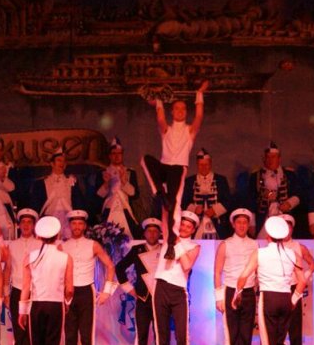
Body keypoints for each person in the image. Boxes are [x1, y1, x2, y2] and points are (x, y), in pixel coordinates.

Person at [233, 215, 305, 345]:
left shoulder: (260, 253)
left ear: (268, 236)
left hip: (269, 298)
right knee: (281, 343)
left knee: (267, 344)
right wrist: (293, 299)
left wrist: (237, 294)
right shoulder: (292, 253)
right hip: (285, 298)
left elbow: (243, 276)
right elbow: (302, 281)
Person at [141, 80, 209, 260]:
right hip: (164, 166)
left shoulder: (189, 131)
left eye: (183, 109)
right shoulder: (166, 130)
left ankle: (171, 244)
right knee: (145, 159)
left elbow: (199, 117)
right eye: (176, 108)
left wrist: (199, 94)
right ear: (172, 111)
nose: (180, 111)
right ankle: (159, 193)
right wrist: (158, 101)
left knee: (172, 206)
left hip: (178, 169)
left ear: (186, 112)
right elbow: (160, 118)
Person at [18, 216, 73, 345]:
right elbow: (70, 289)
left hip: (37, 306)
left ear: (39, 236)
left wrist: (22, 311)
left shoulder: (30, 257)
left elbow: (26, 287)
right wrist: (67, 302)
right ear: (57, 235)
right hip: (56, 306)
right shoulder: (65, 257)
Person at [60, 210, 117, 345]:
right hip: (68, 293)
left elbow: (110, 266)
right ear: (69, 225)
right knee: (70, 336)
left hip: (86, 291)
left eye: (80, 223)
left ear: (85, 226)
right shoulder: (62, 246)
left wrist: (107, 291)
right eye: (74, 223)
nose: (77, 226)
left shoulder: (93, 245)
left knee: (86, 336)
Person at [152, 210, 201, 345]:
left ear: (193, 229)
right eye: (183, 225)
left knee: (182, 336)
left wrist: (178, 242)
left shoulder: (194, 246)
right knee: (162, 336)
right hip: (161, 287)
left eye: (189, 226)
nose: (185, 228)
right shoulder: (167, 238)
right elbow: (166, 218)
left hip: (179, 291)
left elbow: (187, 265)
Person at [115, 217, 163, 345]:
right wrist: (129, 289)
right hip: (142, 299)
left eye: (155, 231)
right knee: (141, 337)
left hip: (161, 300)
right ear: (144, 233)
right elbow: (119, 268)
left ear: (160, 233)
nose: (152, 234)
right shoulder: (137, 250)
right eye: (149, 231)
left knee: (160, 338)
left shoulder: (165, 249)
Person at [214, 208, 258, 345]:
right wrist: (218, 297)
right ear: (233, 224)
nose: (242, 225)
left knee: (246, 336)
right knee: (232, 335)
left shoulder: (255, 244)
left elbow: (257, 270)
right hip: (231, 291)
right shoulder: (225, 244)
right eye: (238, 222)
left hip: (248, 292)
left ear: (248, 225)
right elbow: (217, 272)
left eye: (245, 222)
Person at [4, 209, 43, 345]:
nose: (26, 225)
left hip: (36, 293)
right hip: (17, 292)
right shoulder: (11, 245)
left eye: (29, 222)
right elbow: (7, 269)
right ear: (18, 225)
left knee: (36, 336)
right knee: (20, 337)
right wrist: (6, 293)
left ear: (34, 225)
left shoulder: (41, 244)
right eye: (23, 222)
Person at [280, 214, 314, 345]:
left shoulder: (299, 247)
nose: (286, 230)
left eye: (289, 226)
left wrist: (304, 278)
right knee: (278, 338)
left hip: (295, 290)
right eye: (283, 226)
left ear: (292, 228)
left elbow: (313, 264)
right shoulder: (274, 246)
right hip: (278, 290)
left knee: (295, 337)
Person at [252, 141, 303, 238]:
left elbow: (299, 193)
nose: (270, 160)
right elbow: (251, 199)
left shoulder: (289, 174)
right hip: (263, 217)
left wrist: (289, 203)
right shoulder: (256, 176)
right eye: (268, 157)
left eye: (273, 157)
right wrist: (252, 223)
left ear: (279, 158)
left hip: (284, 215)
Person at [34, 147, 86, 240]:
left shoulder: (71, 181)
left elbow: (78, 202)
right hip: (49, 220)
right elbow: (36, 204)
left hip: (67, 221)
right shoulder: (42, 182)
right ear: (52, 163)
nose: (62, 163)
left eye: (64, 161)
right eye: (59, 160)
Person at [182, 148, 232, 240]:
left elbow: (228, 201)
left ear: (211, 164)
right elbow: (183, 202)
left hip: (218, 223)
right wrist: (194, 209)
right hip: (196, 224)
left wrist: (215, 210)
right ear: (197, 165)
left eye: (206, 164)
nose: (204, 167)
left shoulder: (221, 180)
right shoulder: (189, 181)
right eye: (201, 165)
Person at [96, 137, 141, 239]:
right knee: (106, 238)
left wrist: (124, 182)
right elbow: (98, 197)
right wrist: (106, 184)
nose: (117, 156)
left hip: (125, 209)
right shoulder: (102, 172)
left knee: (129, 237)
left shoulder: (130, 172)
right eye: (114, 153)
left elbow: (135, 195)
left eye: (119, 153)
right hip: (108, 210)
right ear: (109, 156)